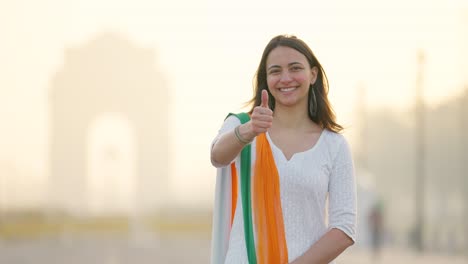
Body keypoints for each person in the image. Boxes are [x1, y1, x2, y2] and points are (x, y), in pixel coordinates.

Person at [210, 35, 356, 264]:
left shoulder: (334, 145)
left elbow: (344, 228)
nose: (286, 78)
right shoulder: (242, 126)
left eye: (295, 68)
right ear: (266, 79)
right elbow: (217, 156)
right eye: (275, 71)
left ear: (313, 74)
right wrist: (248, 132)